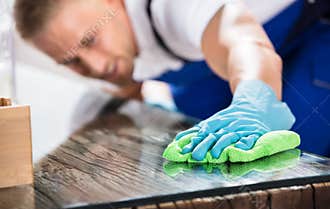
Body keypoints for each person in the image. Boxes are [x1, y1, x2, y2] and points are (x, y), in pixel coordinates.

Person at [14, 0, 330, 160]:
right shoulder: (112, 39)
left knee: (288, 161)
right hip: (212, 65)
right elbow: (129, 82)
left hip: (311, 31)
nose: (95, 66)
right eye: (71, 61)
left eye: (91, 40)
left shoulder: (175, 6)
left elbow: (245, 45)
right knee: (195, 134)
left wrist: (255, 104)